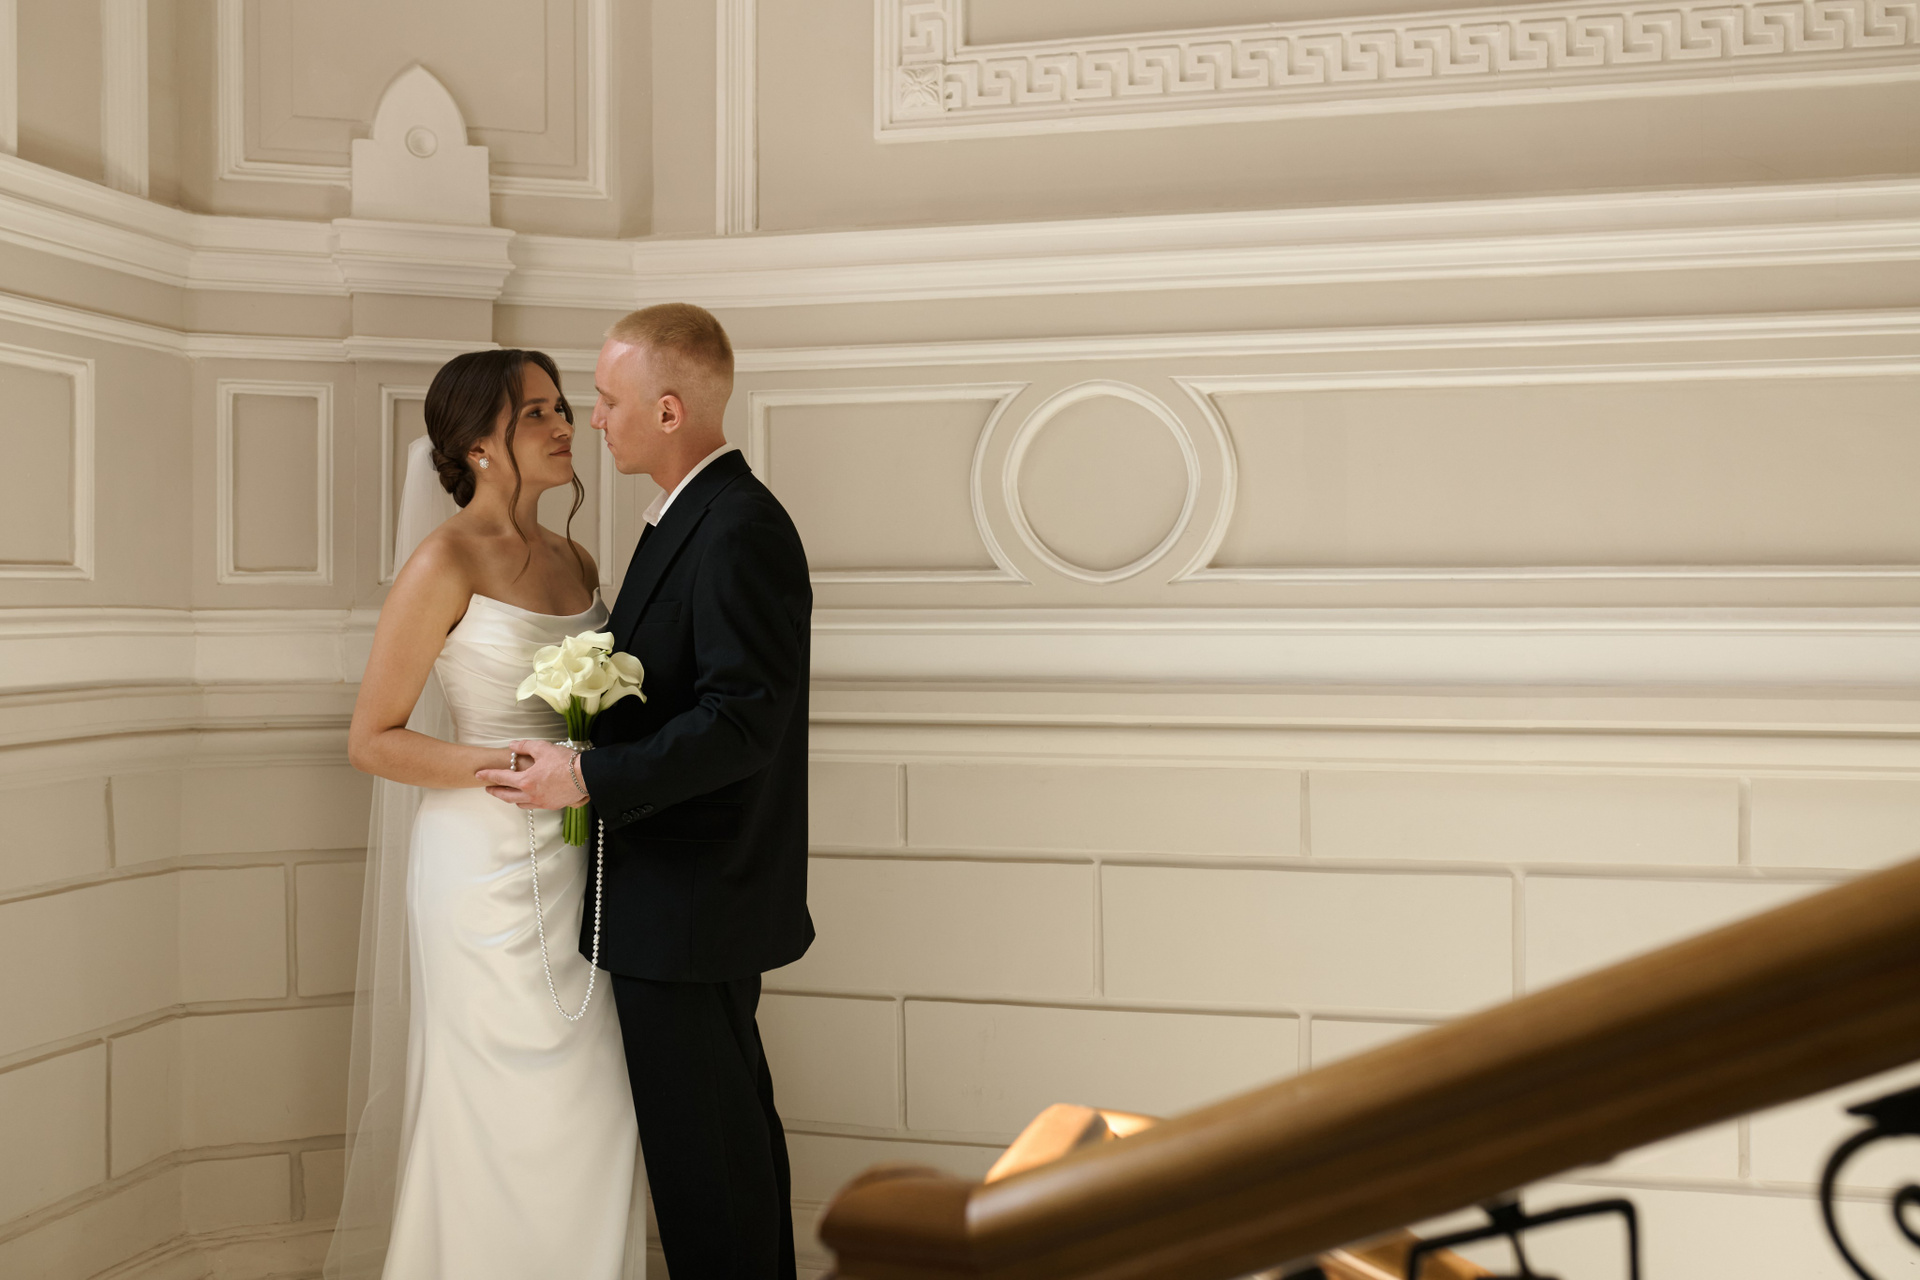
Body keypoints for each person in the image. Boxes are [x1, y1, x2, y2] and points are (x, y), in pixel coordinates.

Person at [478, 303, 814, 1280]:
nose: (592, 418)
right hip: (682, 894)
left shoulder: (738, 525)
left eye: (607, 399)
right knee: (720, 1148)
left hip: (695, 898)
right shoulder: (693, 516)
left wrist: (586, 773)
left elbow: (741, 722)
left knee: (709, 1162)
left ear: (669, 410)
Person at [328, 349, 640, 1279]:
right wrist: (514, 766)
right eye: (536, 412)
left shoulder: (577, 560)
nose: (564, 425)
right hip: (481, 868)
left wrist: (586, 771)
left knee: (595, 1098)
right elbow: (373, 739)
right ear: (478, 445)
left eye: (561, 406)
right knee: (495, 1101)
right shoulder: (445, 559)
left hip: (580, 854)